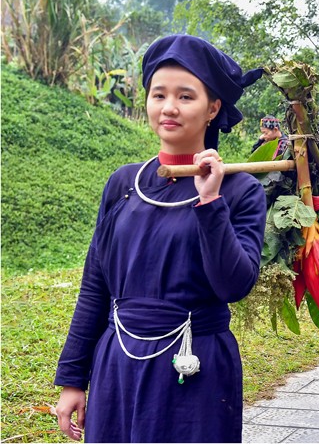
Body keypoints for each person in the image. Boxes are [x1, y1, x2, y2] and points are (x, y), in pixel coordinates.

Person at [54, 34, 267, 442]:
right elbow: (95, 285)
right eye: (159, 94)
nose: (168, 108)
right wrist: (73, 380)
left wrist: (210, 203)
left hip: (194, 366)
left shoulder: (240, 190)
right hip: (118, 364)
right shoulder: (123, 184)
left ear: (213, 108)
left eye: (186, 96)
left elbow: (234, 284)